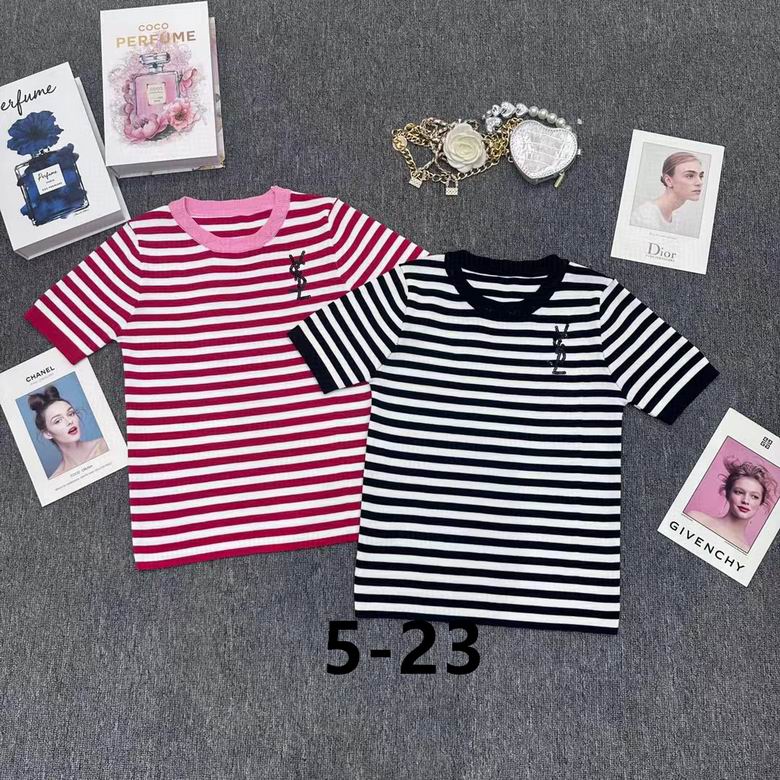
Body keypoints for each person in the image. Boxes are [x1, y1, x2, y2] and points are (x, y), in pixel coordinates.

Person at [688, 457, 778, 552]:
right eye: (739, 492)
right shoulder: (695, 518)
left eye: (754, 496)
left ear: (761, 502)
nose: (745, 500)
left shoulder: (745, 551)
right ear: (728, 494)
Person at [28, 385, 108, 479]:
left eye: (70, 414)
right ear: (47, 433)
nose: (69, 421)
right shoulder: (56, 479)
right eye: (58, 421)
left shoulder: (105, 445)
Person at [631, 151, 704, 232]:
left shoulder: (676, 217)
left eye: (701, 176)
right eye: (690, 176)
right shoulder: (646, 216)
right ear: (668, 181)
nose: (700, 182)